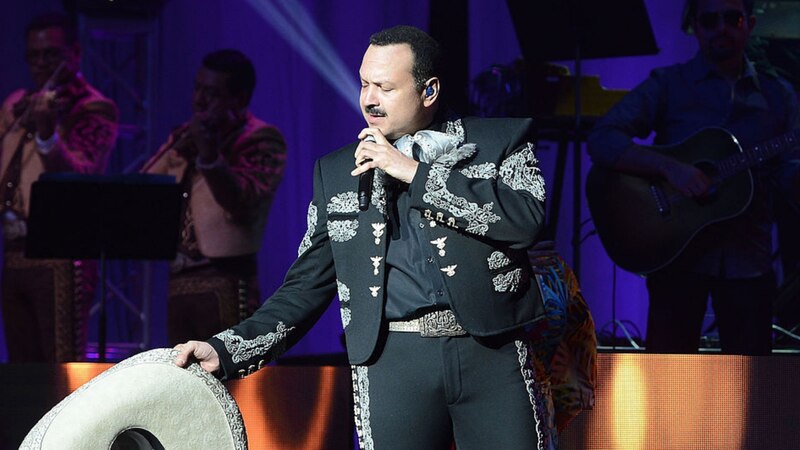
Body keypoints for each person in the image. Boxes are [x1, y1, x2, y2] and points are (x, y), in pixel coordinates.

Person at [177, 26, 557, 449]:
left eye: (385, 87)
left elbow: (526, 220)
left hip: (491, 350)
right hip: (393, 360)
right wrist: (227, 350)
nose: (369, 99)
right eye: (364, 84)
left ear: (428, 91)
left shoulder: (499, 141)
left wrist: (413, 173)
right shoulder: (338, 172)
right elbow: (304, 288)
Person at [587, 0, 800, 355]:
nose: (721, 28)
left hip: (749, 258)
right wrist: (670, 168)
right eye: (709, 20)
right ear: (695, 27)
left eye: (731, 18)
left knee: (750, 386)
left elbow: (790, 171)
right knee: (669, 382)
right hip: (676, 257)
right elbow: (603, 139)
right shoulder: (669, 85)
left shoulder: (780, 96)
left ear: (748, 23)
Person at [143, 49, 286, 346]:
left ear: (239, 99)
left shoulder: (262, 139)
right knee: (182, 379)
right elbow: (145, 190)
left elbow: (244, 202)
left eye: (212, 93)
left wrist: (209, 156)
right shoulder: (186, 136)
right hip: (179, 278)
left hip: (227, 278)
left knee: (231, 376)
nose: (199, 100)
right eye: (197, 88)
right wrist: (177, 153)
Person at [0, 13, 119, 362]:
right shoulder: (16, 102)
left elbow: (82, 175)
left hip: (61, 252)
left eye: (50, 55)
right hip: (13, 247)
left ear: (74, 53)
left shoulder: (93, 107)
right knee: (21, 368)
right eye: (34, 56)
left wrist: (49, 133)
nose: (41, 64)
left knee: (58, 363)